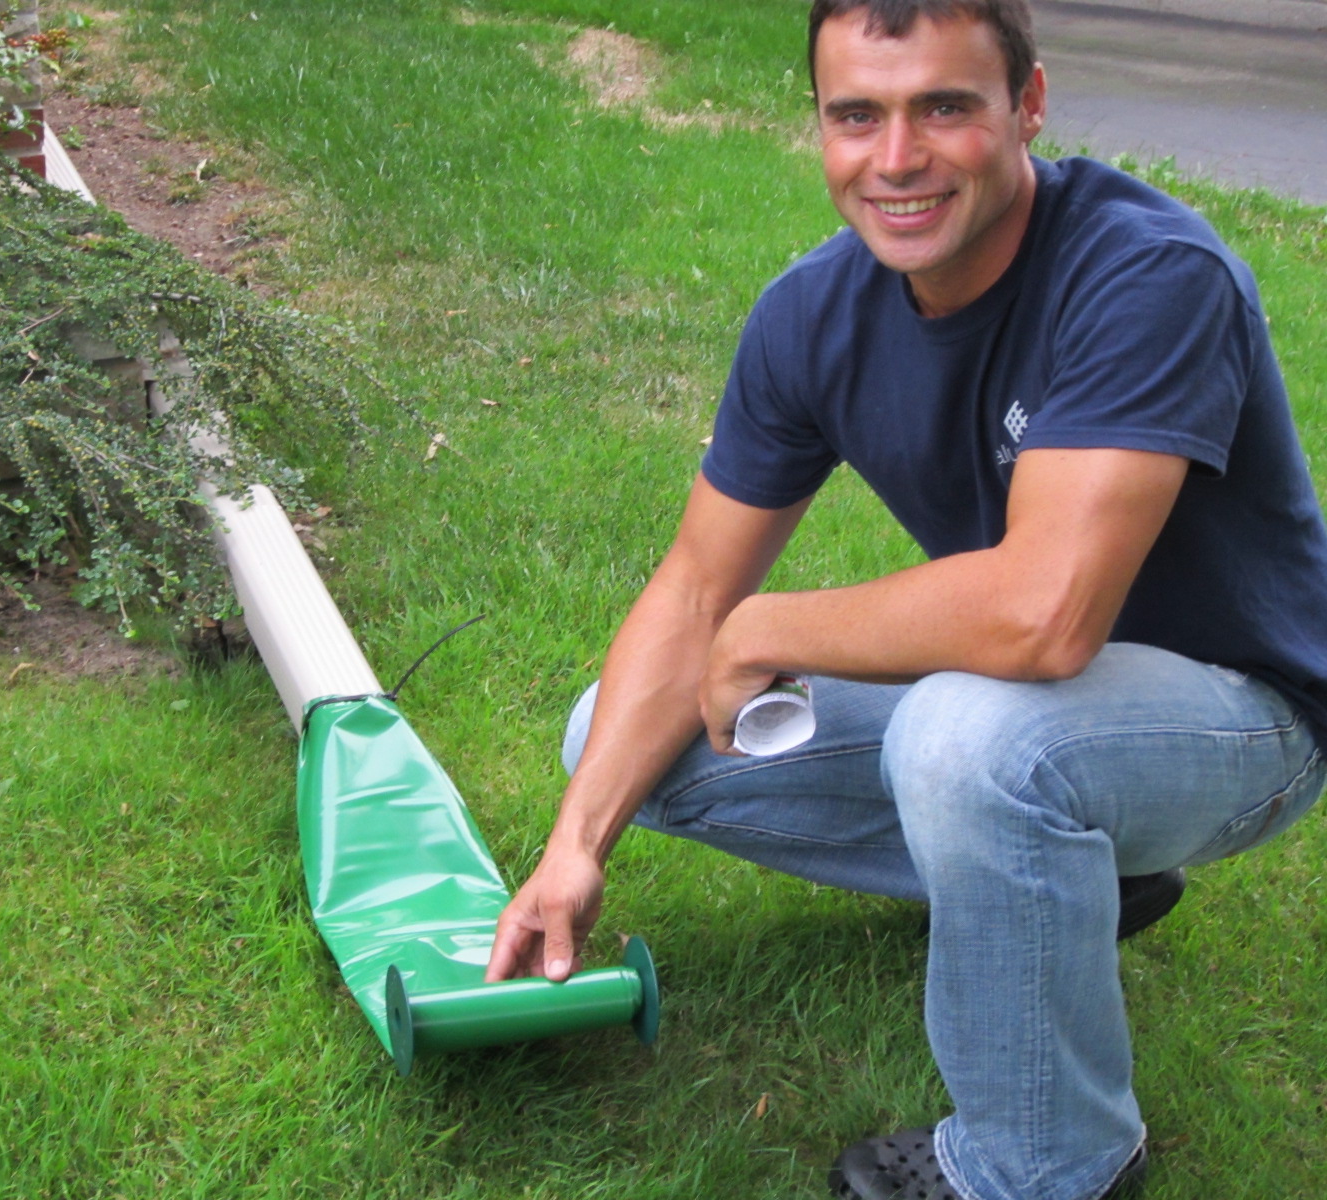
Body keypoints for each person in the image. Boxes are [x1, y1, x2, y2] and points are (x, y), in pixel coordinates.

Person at [483, 1, 1327, 1197]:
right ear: (820, 130)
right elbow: (691, 589)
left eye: (944, 106)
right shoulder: (813, 315)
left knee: (968, 744)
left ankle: (1048, 1168)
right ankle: (1066, 879)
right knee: (619, 744)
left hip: (1243, 712)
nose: (895, 160)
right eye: (856, 116)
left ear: (1027, 106)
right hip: (1037, 708)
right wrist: (574, 848)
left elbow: (1043, 616)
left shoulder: (1147, 274)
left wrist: (767, 627)